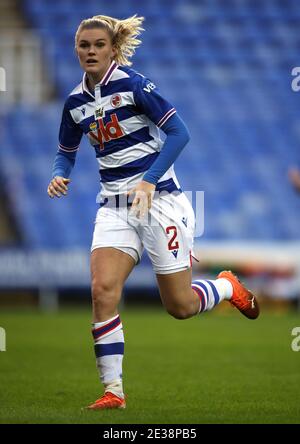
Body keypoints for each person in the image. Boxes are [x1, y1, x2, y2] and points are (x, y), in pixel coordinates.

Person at [47, 14, 259, 410]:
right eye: (83, 46)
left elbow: (180, 132)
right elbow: (65, 152)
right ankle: (114, 391)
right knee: (102, 291)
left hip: (159, 201)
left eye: (98, 45)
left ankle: (228, 286)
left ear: (112, 49)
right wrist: (59, 175)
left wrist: (148, 180)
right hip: (113, 207)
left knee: (180, 307)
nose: (90, 51)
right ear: (76, 50)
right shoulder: (75, 102)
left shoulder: (134, 84)